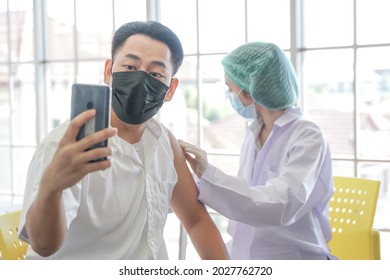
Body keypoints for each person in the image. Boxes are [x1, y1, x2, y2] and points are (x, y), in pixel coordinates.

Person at [18, 21, 229, 260]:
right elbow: (44, 246)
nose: (140, 79)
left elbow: (196, 220)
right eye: (130, 66)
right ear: (109, 72)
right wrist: (51, 188)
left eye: (155, 74)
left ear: (170, 89)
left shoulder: (164, 142)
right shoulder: (67, 146)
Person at [179, 42, 336, 260]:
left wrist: (209, 174)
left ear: (250, 90)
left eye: (230, 88)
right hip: (246, 253)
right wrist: (195, 182)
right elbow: (247, 193)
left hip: (294, 256)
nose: (229, 95)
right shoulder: (254, 132)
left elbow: (281, 204)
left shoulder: (308, 136)